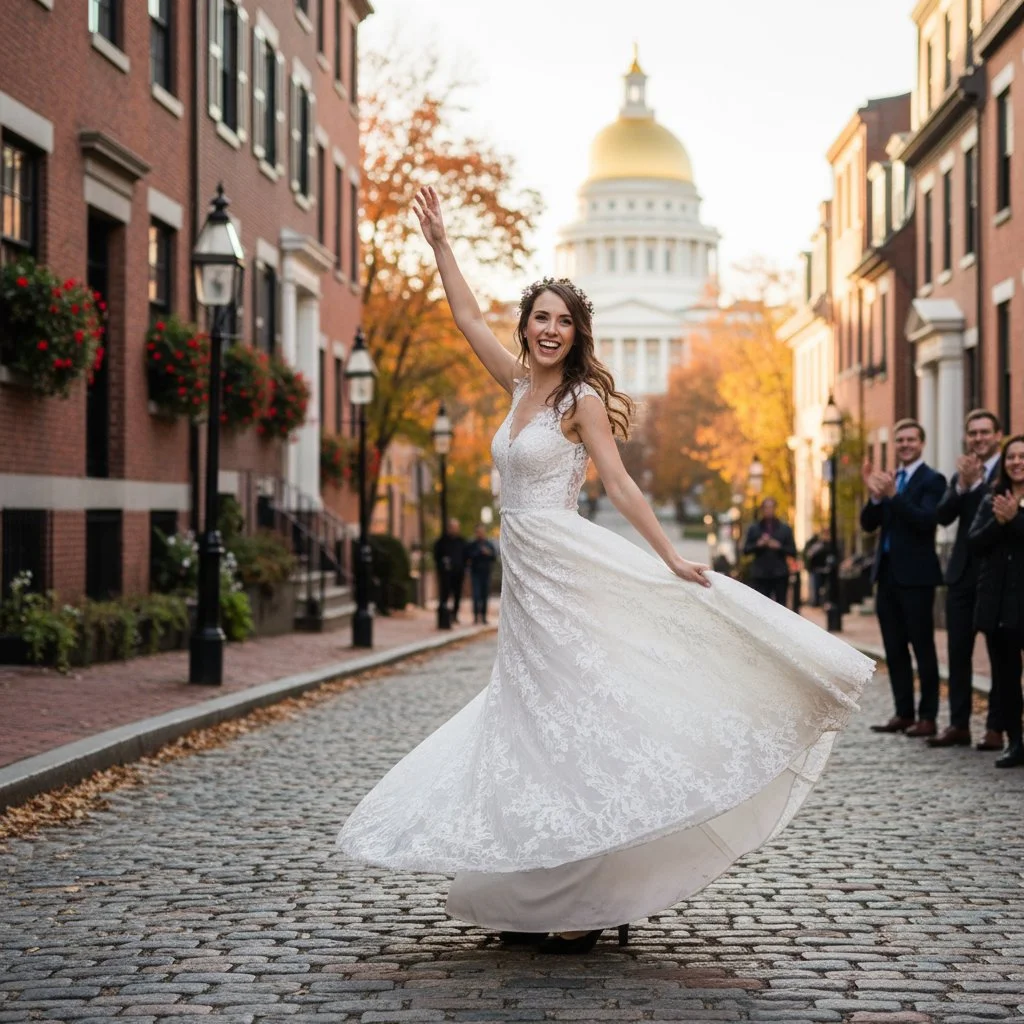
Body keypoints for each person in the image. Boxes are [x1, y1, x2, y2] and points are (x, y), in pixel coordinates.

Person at [337, 185, 874, 955]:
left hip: (566, 571)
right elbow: (463, 319)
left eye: (564, 321)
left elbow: (618, 483)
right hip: (524, 584)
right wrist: (441, 245)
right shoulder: (518, 386)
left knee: (575, 725)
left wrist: (669, 556)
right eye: (540, 318)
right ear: (526, 326)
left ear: (577, 332)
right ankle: (536, 891)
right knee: (530, 728)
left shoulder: (581, 399)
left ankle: (591, 899)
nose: (550, 330)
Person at [860, 420, 946, 738]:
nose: (905, 444)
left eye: (911, 439)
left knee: (922, 648)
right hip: (887, 576)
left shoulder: (932, 480)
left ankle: (928, 717)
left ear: (921, 443)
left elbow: (926, 521)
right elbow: (868, 525)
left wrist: (894, 496)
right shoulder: (889, 480)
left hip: (917, 578)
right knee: (894, 649)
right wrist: (876, 498)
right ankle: (903, 712)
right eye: (900, 440)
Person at [931, 410, 1004, 751]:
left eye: (985, 432)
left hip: (997, 576)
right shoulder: (962, 475)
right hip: (961, 575)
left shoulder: (1009, 472)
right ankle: (959, 724)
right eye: (972, 433)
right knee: (958, 653)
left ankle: (995, 727)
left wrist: (977, 487)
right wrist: (962, 485)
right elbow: (943, 516)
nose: (978, 438)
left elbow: (990, 516)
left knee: (1000, 654)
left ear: (997, 435)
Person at [967, 434, 1024, 768]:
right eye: (1011, 457)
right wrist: (1000, 522)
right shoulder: (991, 496)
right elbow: (974, 541)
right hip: (999, 602)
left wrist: (1015, 520)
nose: (1017, 462)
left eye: (1022, 456)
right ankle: (1015, 742)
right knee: (1005, 678)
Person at [742, 498, 797, 603]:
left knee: (781, 605)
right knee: (761, 605)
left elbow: (793, 551)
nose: (769, 510)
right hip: (760, 575)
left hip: (779, 574)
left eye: (771, 507)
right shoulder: (754, 528)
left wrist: (779, 547)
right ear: (762, 509)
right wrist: (758, 545)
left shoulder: (784, 529)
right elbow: (746, 550)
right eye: (766, 508)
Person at [433, 517, 466, 624]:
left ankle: (454, 615)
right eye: (452, 527)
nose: (454, 529)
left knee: (457, 595)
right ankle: (443, 614)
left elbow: (466, 556)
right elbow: (436, 556)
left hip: (458, 573)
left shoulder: (461, 541)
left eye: (456, 527)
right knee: (445, 594)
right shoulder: (442, 541)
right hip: (446, 574)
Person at [465, 524, 497, 624]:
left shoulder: (489, 544)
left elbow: (494, 557)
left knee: (484, 596)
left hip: (486, 573)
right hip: (475, 573)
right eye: (478, 532)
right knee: (476, 595)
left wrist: (488, 553)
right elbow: (468, 556)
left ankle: (483, 617)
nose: (480, 534)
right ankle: (475, 617)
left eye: (482, 531)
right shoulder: (472, 544)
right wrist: (479, 552)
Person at [803, 527, 835, 608]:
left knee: (827, 588)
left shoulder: (830, 544)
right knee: (815, 587)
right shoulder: (816, 544)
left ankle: (824, 602)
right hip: (816, 569)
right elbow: (809, 554)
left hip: (827, 570)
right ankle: (816, 602)